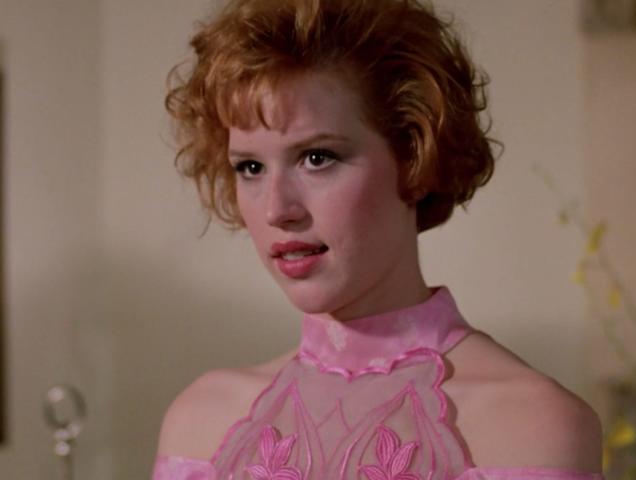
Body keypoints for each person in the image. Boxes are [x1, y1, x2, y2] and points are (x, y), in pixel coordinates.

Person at [153, 0, 605, 478]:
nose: (276, 209)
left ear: (414, 155)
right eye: (250, 167)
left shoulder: (532, 426)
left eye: (317, 158)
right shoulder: (201, 422)